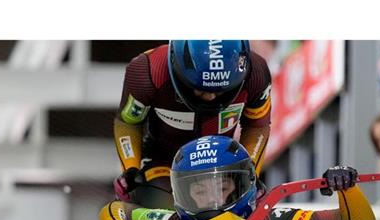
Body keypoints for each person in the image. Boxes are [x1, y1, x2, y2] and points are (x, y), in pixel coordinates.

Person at [100, 136, 376, 220]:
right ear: (182, 193)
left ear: (242, 185)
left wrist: (347, 189)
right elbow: (116, 210)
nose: (212, 199)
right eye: (199, 190)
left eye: (221, 187)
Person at [113, 40, 272, 209]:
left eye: (221, 90)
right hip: (163, 163)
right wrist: (130, 169)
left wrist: (250, 171)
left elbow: (257, 126)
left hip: (221, 166)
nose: (211, 97)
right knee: (165, 212)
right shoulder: (147, 71)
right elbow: (128, 123)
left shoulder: (257, 72)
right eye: (202, 89)